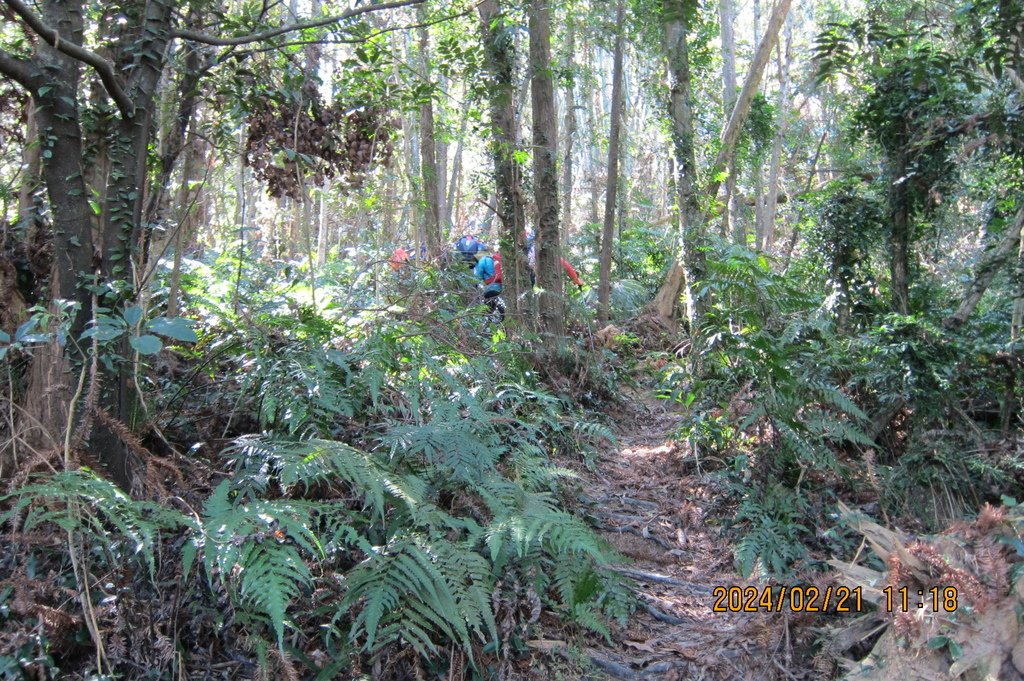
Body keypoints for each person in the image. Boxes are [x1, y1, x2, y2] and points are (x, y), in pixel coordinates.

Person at [473, 250, 505, 322]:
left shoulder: (483, 261)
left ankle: (487, 325)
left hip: (490, 288)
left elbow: (477, 277)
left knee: (486, 310)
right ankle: (499, 321)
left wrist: (475, 284)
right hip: (500, 287)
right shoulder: (494, 260)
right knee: (495, 307)